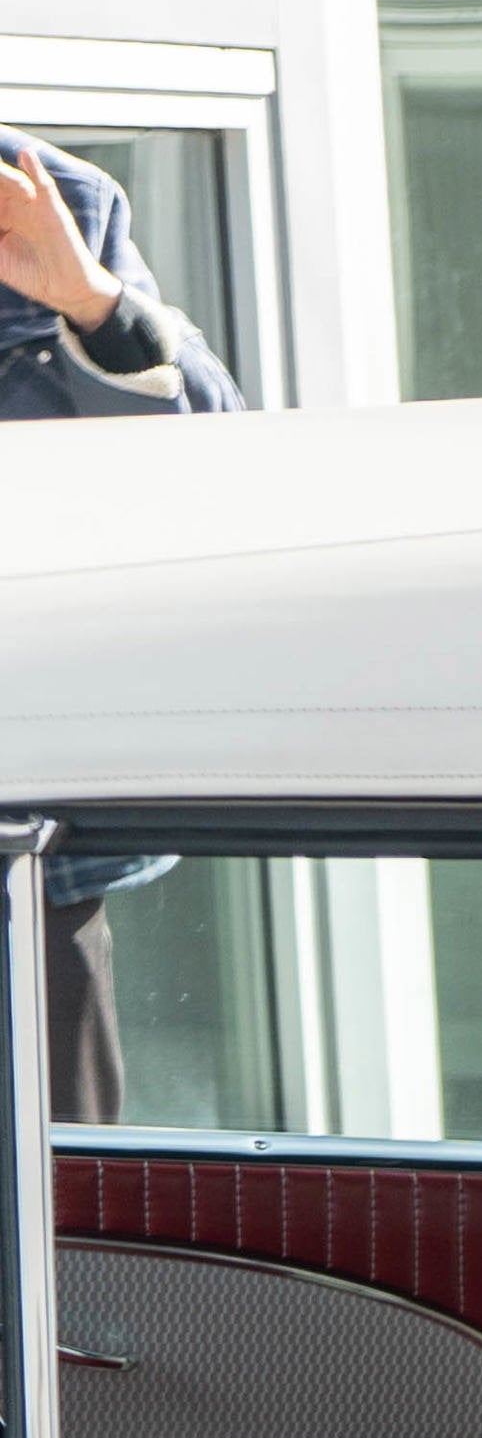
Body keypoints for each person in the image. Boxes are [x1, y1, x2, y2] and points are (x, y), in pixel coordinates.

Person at [7, 131, 239, 1124]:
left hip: (26, 850)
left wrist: (94, 305)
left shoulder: (55, 201)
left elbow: (220, 450)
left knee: (56, 1214)